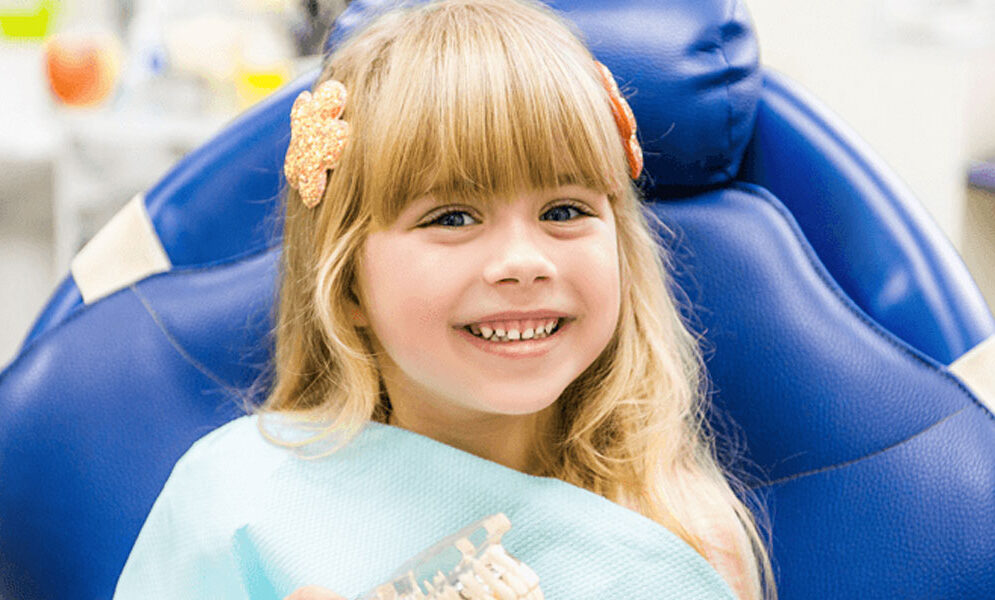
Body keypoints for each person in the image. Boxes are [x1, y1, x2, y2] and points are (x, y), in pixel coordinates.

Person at [113, 1, 776, 599]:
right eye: (452, 217)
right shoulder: (235, 505)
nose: (522, 262)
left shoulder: (683, 536)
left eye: (565, 210)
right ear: (347, 284)